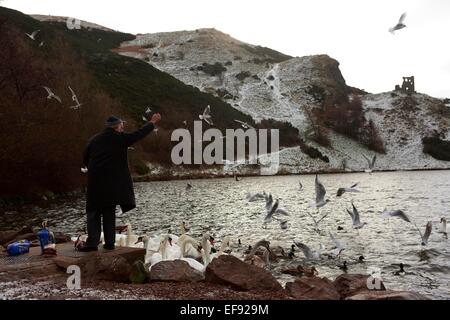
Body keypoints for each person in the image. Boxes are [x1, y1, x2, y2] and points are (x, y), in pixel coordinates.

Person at [78, 113, 161, 251]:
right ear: (117, 126)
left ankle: (92, 243)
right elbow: (138, 134)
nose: (123, 126)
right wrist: (152, 122)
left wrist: (94, 169)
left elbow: (85, 158)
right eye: (122, 124)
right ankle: (109, 243)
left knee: (93, 212)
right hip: (111, 184)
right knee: (108, 212)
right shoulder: (120, 139)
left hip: (95, 182)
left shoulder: (94, 139)